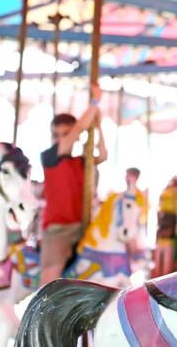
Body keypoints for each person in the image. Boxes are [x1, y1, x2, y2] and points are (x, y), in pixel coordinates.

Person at [39, 83, 107, 286]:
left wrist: (98, 124)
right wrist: (94, 103)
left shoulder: (81, 162)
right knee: (50, 282)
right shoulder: (50, 157)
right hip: (58, 229)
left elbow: (102, 154)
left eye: (65, 134)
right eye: (56, 135)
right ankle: (42, 310)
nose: (61, 139)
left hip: (83, 225)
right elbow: (77, 130)